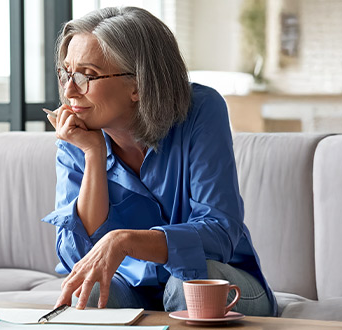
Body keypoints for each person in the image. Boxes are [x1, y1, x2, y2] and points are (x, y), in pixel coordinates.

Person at [40, 6, 277, 317]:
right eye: (66, 72)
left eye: (87, 75)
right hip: (130, 288)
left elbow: (220, 233)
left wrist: (125, 241)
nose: (70, 90)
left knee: (188, 284)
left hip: (220, 282)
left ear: (138, 84)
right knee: (89, 291)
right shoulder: (78, 134)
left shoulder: (202, 111)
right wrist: (93, 155)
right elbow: (78, 258)